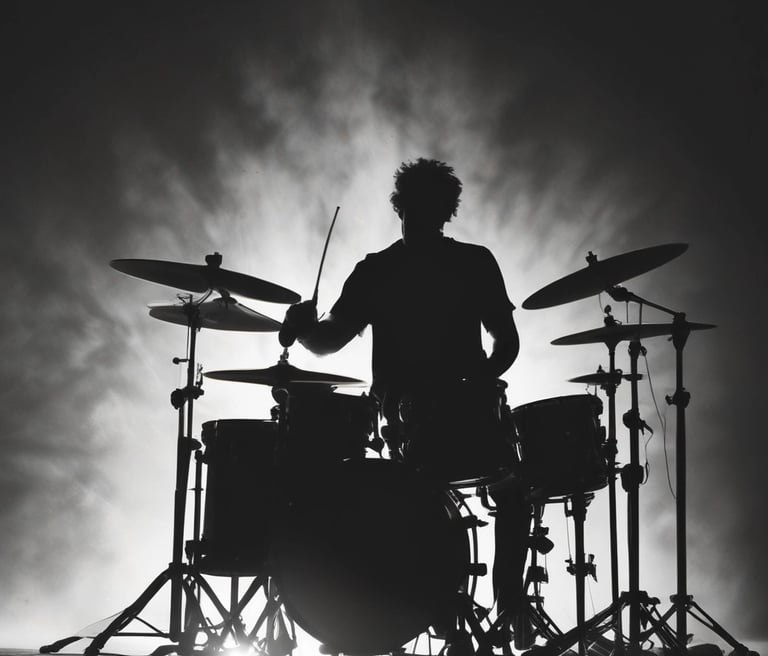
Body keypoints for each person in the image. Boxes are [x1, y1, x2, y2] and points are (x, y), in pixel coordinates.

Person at [279, 157, 531, 636]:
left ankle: (498, 603)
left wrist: (479, 381)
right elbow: (326, 339)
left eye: (431, 204)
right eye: (421, 204)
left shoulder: (428, 265)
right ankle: (486, 606)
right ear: (407, 207)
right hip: (412, 415)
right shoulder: (401, 267)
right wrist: (303, 328)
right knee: (508, 494)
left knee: (504, 493)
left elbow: (507, 342)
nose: (424, 212)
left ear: (440, 209)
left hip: (455, 408)